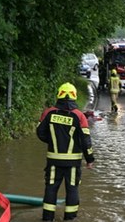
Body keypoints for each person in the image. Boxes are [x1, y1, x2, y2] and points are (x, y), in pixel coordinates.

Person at [36, 82, 95, 221]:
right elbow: (86, 141)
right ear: (74, 96)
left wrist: (52, 141)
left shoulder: (49, 113)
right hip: (73, 163)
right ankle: (70, 218)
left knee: (51, 188)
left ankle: (47, 218)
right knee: (72, 189)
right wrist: (90, 159)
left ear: (59, 95)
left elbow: (40, 133)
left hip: (53, 160)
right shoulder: (79, 116)